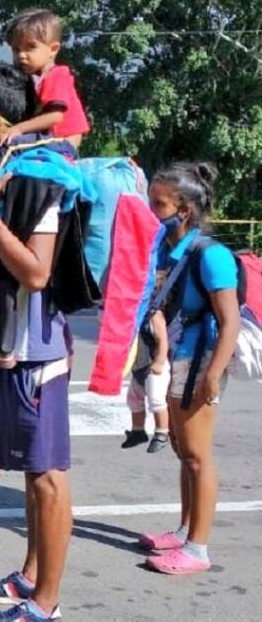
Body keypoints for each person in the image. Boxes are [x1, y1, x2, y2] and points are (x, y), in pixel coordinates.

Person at [0, 63, 74, 622]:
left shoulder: (35, 178)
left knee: (47, 478)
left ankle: (46, 604)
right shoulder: (7, 171)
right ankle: (30, 578)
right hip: (16, 346)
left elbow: (37, 273)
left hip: (37, 351)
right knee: (31, 474)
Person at [138, 163, 240, 575]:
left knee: (197, 456)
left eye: (158, 203)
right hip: (176, 357)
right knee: (183, 450)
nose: (151, 209)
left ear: (183, 210)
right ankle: (184, 530)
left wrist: (212, 375)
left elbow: (230, 321)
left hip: (199, 361)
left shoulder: (210, 255)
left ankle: (197, 549)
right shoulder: (167, 247)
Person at [0, 9, 90, 150]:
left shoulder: (57, 76)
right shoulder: (34, 78)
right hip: (50, 139)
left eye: (31, 47)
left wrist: (19, 129)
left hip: (62, 141)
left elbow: (55, 116)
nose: (21, 55)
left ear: (53, 49)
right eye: (16, 49)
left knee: (8, 144)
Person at [121, 274, 171, 453]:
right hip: (139, 366)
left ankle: (162, 432)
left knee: (156, 400)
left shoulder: (154, 315)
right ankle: (138, 431)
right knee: (133, 399)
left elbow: (163, 341)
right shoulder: (135, 314)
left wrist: (159, 362)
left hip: (153, 365)